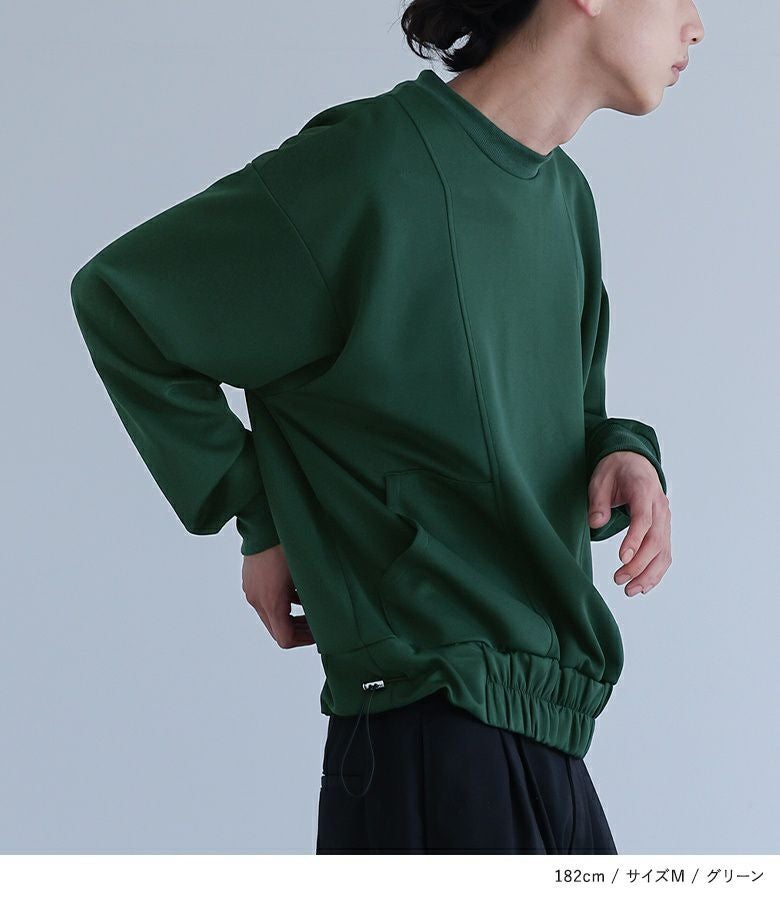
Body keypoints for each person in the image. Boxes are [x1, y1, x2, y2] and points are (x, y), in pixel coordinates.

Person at [70, 0, 703, 854]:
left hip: (548, 737)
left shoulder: (565, 200)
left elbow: (567, 415)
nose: (696, 26)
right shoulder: (375, 167)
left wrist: (624, 454)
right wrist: (262, 514)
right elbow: (124, 303)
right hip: (428, 731)